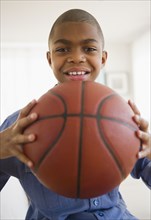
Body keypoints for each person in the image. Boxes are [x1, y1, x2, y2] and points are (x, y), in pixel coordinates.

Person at [0, 9, 151, 220]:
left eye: (89, 48)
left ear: (103, 58)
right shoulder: (18, 126)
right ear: (49, 59)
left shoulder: (125, 120)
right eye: (62, 49)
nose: (76, 57)